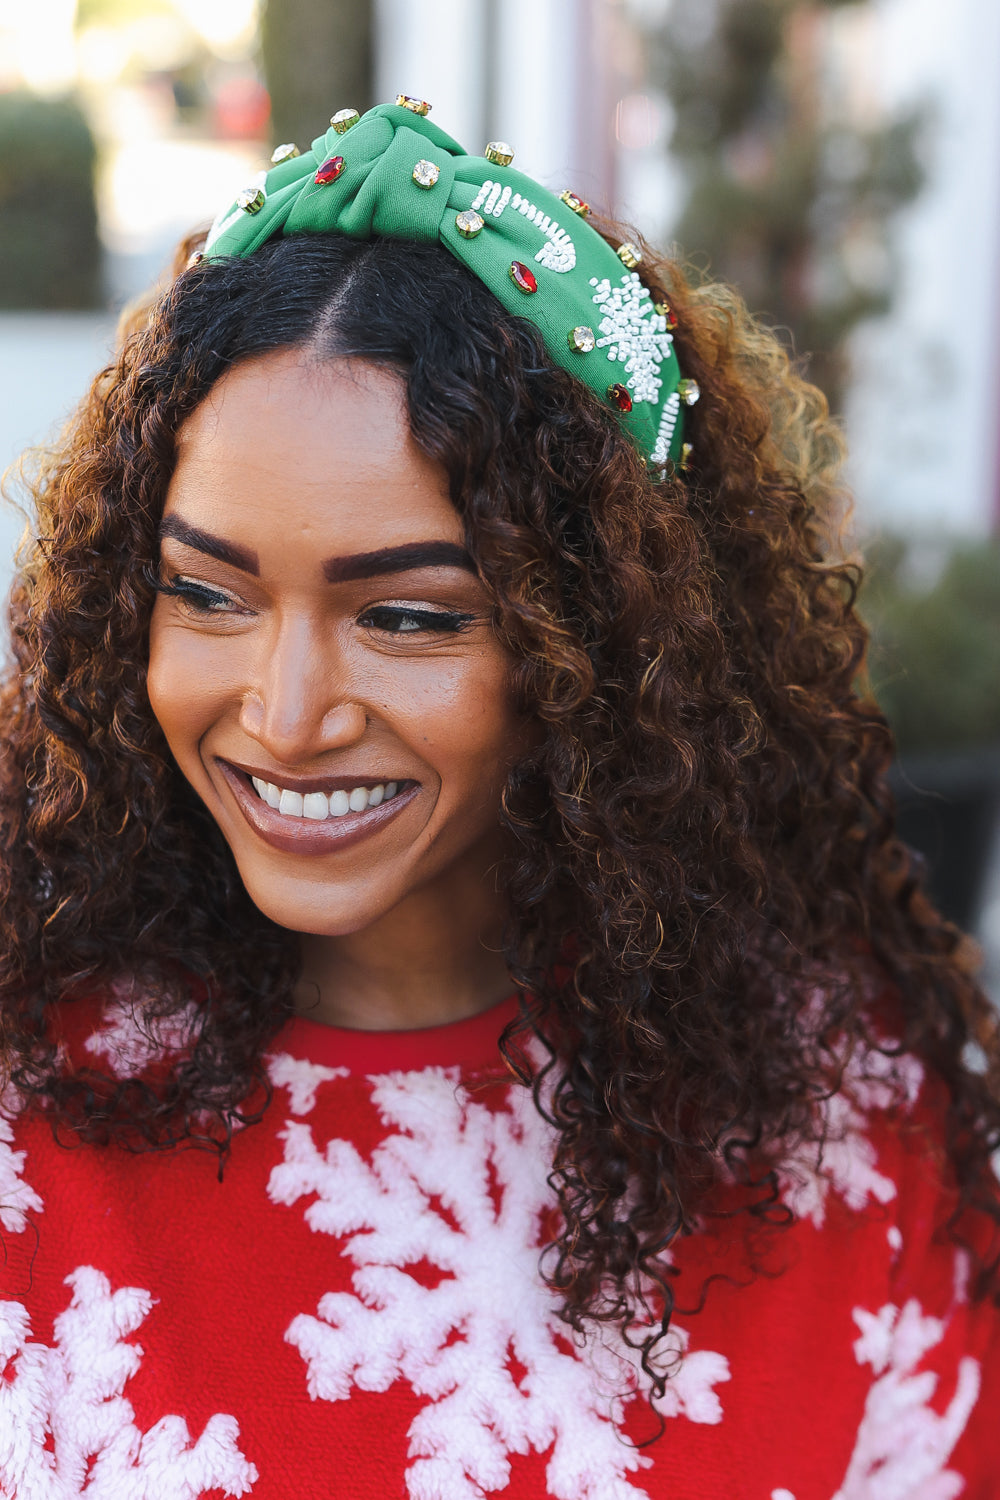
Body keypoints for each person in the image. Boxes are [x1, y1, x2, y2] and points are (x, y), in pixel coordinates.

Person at [0, 98, 997, 1500]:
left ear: (603, 647)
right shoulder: (28, 1108)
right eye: (207, 593)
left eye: (408, 618)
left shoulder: (844, 1114)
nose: (284, 716)